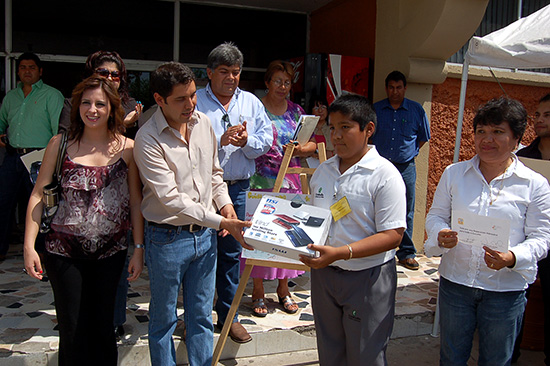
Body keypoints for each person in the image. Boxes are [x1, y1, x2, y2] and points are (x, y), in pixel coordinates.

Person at [134, 61, 252, 366]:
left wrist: (225, 204)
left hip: (205, 238)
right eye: (181, 99)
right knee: (163, 318)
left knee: (201, 315)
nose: (190, 104)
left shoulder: (203, 124)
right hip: (167, 239)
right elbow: (172, 199)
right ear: (159, 100)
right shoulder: (147, 139)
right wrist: (222, 221)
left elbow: (215, 174)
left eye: (192, 95)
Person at [23, 76, 144, 365]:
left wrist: (138, 248)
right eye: (86, 103)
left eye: (100, 104)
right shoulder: (59, 144)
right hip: (63, 253)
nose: (92, 109)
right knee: (72, 328)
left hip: (111, 253)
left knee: (103, 328)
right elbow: (38, 194)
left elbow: (136, 201)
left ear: (112, 108)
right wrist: (29, 245)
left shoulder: (128, 148)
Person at [425, 97, 550, 366]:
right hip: (456, 284)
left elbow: (541, 238)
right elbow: (436, 215)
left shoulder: (535, 185)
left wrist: (512, 257)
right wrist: (440, 234)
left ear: (516, 138)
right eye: (481, 131)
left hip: (504, 290)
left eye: (497, 132)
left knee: (496, 360)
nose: (486, 139)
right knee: (451, 358)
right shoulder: (454, 174)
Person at [301, 94, 406, 366]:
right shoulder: (324, 170)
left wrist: (341, 253)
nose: (336, 135)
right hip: (325, 275)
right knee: (329, 350)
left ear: (368, 129)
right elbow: (317, 219)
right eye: (332, 127)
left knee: (365, 356)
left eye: (345, 127)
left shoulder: (385, 175)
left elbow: (393, 235)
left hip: (367, 278)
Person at [196, 42, 272, 343]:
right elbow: (184, 141)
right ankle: (197, 318)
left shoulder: (251, 103)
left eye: (236, 72)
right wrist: (220, 140)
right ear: (210, 72)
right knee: (199, 253)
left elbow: (266, 140)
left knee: (231, 254)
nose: (231, 78)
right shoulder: (196, 101)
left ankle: (229, 316)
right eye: (225, 72)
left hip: (238, 189)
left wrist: (245, 142)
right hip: (202, 190)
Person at [246, 60, 316, 317]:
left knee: (287, 237)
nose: (283, 86)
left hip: (290, 183)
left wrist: (299, 149)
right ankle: (257, 290)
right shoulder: (256, 109)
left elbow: (311, 145)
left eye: (287, 82)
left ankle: (284, 289)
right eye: (277, 81)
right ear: (267, 83)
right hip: (260, 182)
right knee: (261, 237)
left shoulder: (297, 111)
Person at [0, 52, 64, 261]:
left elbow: (59, 131)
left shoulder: (52, 95)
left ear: (40, 71)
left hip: (39, 157)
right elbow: (2, 124)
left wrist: (54, 161)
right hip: (12, 157)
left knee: (41, 206)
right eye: (23, 67)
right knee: (3, 202)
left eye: (31, 67)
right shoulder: (11, 97)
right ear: (18, 71)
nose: (27, 71)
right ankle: (2, 248)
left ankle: (41, 251)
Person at [371, 70, 431, 270]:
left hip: (405, 167)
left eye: (398, 87)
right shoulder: (377, 109)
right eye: (391, 87)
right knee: (375, 206)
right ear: (386, 88)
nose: (395, 91)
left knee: (406, 209)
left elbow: (423, 137)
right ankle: (376, 250)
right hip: (379, 166)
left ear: (404, 88)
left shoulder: (416, 110)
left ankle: (406, 252)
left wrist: (409, 153)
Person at [514, 93, 550, 365]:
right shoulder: (523, 156)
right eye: (537, 115)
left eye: (547, 115)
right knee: (518, 302)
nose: (539, 120)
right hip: (527, 240)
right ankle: (510, 355)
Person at [59, 51, 143, 138]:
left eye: (115, 75)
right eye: (103, 73)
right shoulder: (73, 104)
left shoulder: (130, 105)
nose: (109, 78)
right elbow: (64, 137)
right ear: (91, 75)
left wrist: (132, 123)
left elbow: (138, 142)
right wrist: (122, 124)